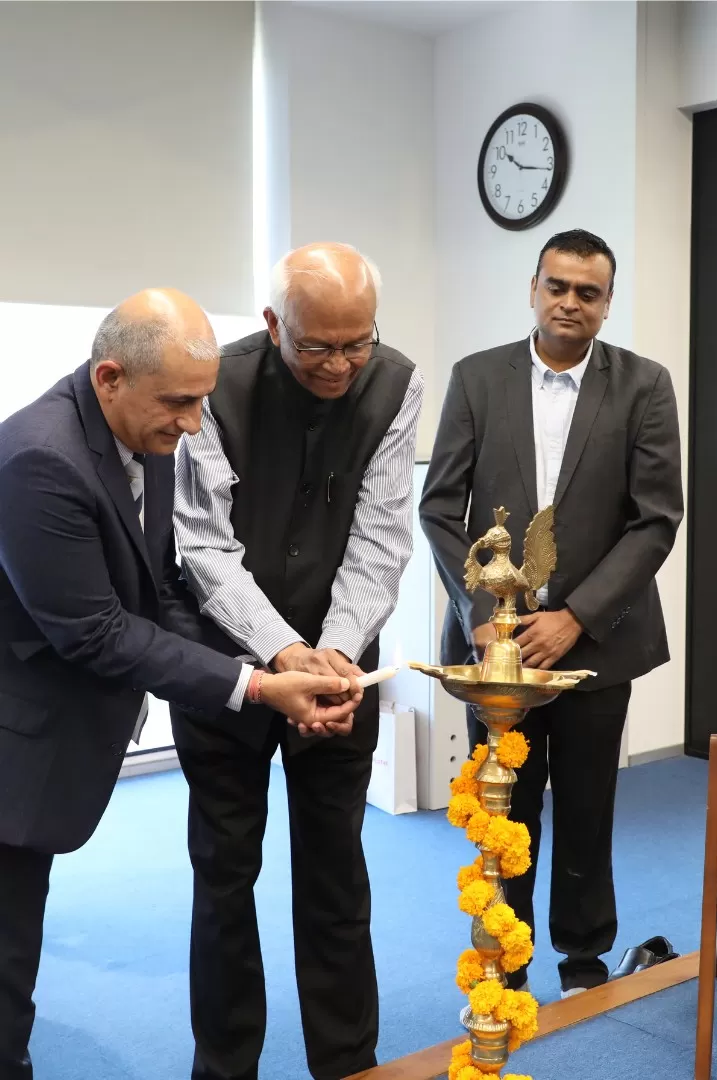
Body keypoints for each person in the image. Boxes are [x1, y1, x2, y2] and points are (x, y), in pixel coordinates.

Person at [0, 288, 359, 1080]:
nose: (194, 424)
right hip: (18, 747)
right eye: (179, 403)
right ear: (109, 377)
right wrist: (257, 691)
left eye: (202, 401)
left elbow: (158, 593)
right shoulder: (38, 458)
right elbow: (97, 630)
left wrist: (276, 659)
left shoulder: (145, 438)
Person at [169, 243, 423, 1080]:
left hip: (340, 674)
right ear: (274, 323)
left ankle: (350, 1064)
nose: (343, 364)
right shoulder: (215, 383)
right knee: (225, 875)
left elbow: (383, 537)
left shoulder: (398, 381)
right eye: (318, 346)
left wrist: (337, 653)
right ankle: (225, 1065)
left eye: (359, 342)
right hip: (229, 671)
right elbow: (203, 544)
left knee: (336, 875)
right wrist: (281, 653)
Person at [420, 229, 683, 998]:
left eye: (588, 292)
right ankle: (508, 947)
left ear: (606, 305)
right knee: (507, 806)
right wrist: (478, 608)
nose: (570, 302)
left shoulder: (644, 385)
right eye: (557, 286)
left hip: (597, 640)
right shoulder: (477, 378)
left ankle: (583, 954)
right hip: (493, 649)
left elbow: (656, 518)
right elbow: (441, 510)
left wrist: (575, 616)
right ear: (532, 289)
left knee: (589, 799)